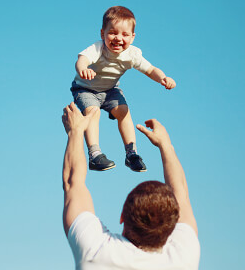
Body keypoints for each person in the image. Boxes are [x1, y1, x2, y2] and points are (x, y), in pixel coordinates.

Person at [62, 102, 200, 270]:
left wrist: (75, 132)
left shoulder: (96, 251)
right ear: (172, 226)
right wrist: (166, 146)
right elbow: (181, 194)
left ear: (122, 217)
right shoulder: (184, 257)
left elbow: (72, 183)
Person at [71, 6, 176, 172]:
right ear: (102, 34)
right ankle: (95, 154)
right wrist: (83, 68)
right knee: (93, 112)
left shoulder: (132, 54)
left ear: (132, 37)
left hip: (111, 90)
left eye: (125, 34)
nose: (118, 38)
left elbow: (150, 70)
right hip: (85, 89)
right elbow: (82, 59)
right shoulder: (98, 48)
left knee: (124, 111)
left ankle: (131, 153)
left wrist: (163, 78)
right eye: (112, 32)